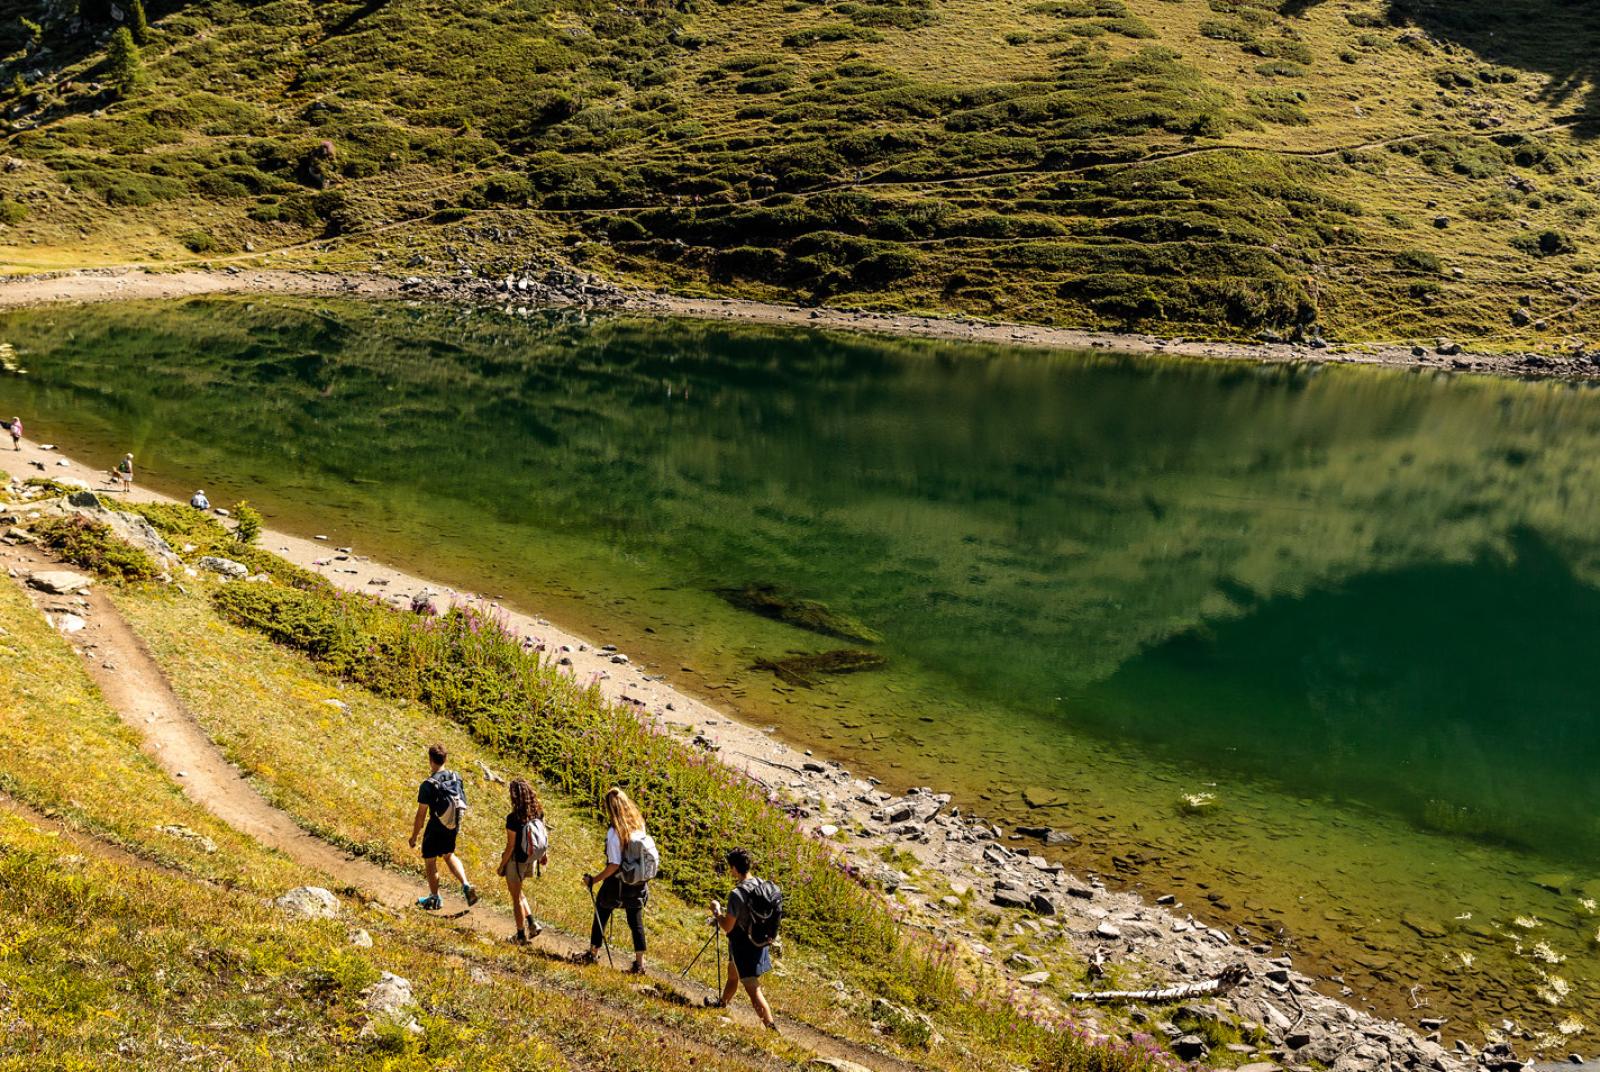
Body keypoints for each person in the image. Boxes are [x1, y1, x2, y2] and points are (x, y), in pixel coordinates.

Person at [579, 786, 655, 973]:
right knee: (635, 922)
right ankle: (640, 965)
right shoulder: (639, 825)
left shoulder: (614, 833)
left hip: (617, 883)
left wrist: (594, 880)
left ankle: (593, 953)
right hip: (638, 883)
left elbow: (614, 864)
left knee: (601, 912)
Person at [706, 847, 779, 1029]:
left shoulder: (736, 895)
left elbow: (727, 926)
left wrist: (717, 911)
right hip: (760, 941)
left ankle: (770, 1027)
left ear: (734, 868)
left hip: (743, 946)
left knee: (753, 989)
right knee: (733, 974)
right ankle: (722, 1003)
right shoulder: (762, 885)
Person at [409, 743, 479, 910]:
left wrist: (414, 836)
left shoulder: (428, 784)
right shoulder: (456, 776)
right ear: (445, 759)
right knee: (448, 855)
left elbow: (421, 815)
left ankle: (434, 898)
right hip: (453, 824)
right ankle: (466, 885)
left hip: (436, 825)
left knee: (430, 861)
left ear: (430, 760)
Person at [496, 777, 548, 943]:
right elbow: (543, 835)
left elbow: (510, 846)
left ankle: (520, 935)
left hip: (516, 861)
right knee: (518, 892)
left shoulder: (513, 818)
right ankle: (532, 924)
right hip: (531, 859)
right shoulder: (538, 812)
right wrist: (543, 856)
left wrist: (501, 865)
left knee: (515, 897)